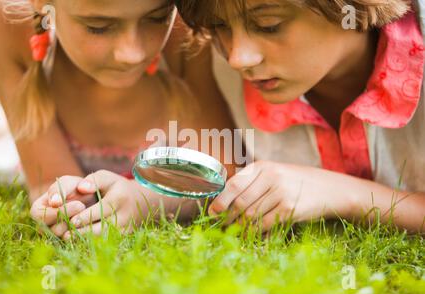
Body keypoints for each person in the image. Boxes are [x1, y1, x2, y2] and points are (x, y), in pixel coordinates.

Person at [0, 0, 236, 237]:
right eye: (98, 27)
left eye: (156, 18)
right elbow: (46, 179)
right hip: (19, 153)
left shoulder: (185, 20)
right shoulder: (6, 20)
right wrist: (65, 199)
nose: (131, 53)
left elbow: (222, 171)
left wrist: (147, 201)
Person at [173, 0, 425, 233]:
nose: (238, 58)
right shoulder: (213, 63)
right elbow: (212, 179)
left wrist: (342, 193)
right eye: (220, 26)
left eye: (268, 26)